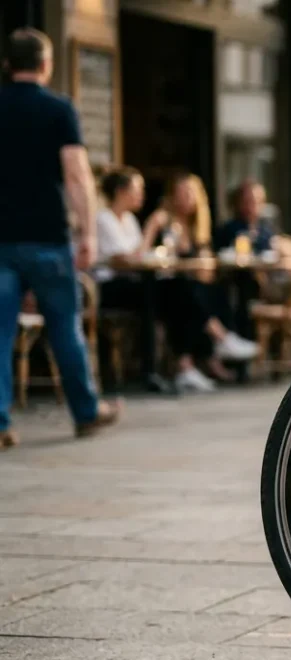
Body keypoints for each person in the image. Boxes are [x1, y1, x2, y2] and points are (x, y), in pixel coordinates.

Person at [0, 28, 120, 444]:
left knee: (0, 334)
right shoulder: (58, 110)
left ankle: (0, 423)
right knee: (65, 328)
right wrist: (88, 233)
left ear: (7, 65)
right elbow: (77, 175)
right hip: (48, 237)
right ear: (46, 65)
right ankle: (86, 412)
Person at [141, 172, 259, 391]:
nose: (186, 198)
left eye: (190, 193)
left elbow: (203, 265)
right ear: (172, 195)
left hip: (181, 286)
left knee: (210, 292)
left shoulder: (196, 227)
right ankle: (219, 342)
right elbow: (143, 252)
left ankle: (204, 360)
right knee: (186, 294)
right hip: (157, 285)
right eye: (182, 193)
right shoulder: (161, 219)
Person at [212, 180, 276, 338]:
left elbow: (271, 251)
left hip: (264, 283)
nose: (252, 206)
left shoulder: (265, 230)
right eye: (247, 201)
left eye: (257, 201)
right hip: (234, 280)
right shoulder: (230, 228)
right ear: (238, 203)